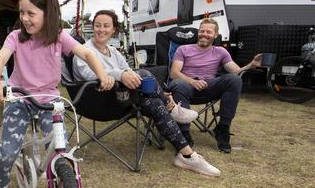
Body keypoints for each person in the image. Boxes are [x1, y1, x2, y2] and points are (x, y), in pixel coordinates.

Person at [0, 0, 115, 188]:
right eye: (22, 13)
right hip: (20, 99)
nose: (25, 19)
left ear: (48, 13)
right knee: (8, 151)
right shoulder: (16, 37)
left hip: (48, 100)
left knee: (61, 149)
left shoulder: (59, 36)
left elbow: (87, 54)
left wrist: (102, 74)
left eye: (31, 13)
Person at [72, 10, 220, 177]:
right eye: (97, 25)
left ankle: (187, 155)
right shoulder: (83, 50)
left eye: (106, 26)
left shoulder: (113, 51)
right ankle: (170, 105)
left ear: (114, 30)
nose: (101, 29)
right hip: (100, 100)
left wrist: (127, 73)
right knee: (143, 74)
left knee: (153, 102)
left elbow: (128, 68)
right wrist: (120, 74)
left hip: (125, 98)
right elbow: (88, 74)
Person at [168, 18, 262, 153]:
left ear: (215, 35)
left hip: (209, 87)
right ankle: (184, 133)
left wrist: (251, 65)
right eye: (202, 31)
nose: (204, 34)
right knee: (178, 83)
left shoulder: (221, 52)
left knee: (234, 80)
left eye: (208, 32)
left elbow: (236, 71)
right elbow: (174, 73)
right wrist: (193, 81)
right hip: (186, 87)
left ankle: (222, 128)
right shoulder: (183, 49)